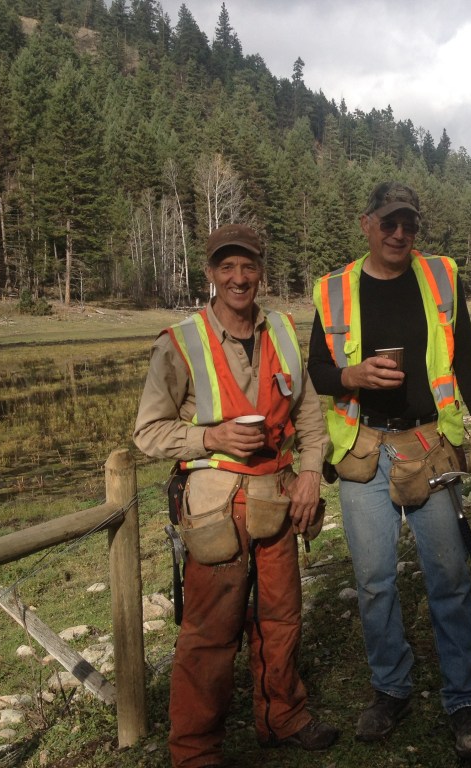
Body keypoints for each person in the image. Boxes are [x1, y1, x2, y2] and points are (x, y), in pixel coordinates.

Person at [307, 181, 471, 759]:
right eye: (389, 223)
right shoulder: (335, 289)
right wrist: (353, 377)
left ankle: (464, 698)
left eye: (409, 225)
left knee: (448, 577)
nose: (399, 234)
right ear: (366, 224)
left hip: (428, 443)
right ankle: (391, 686)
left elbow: (464, 353)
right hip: (365, 448)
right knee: (374, 582)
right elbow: (318, 371)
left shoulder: (441, 276)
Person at [133, 223, 338, 767]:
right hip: (214, 508)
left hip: (280, 494)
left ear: (261, 271)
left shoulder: (284, 333)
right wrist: (211, 437)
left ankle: (283, 717)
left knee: (281, 618)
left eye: (248, 266)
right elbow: (147, 432)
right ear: (211, 274)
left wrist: (312, 474)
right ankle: (196, 752)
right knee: (208, 633)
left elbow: (311, 420)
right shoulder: (180, 341)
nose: (239, 277)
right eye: (227, 267)